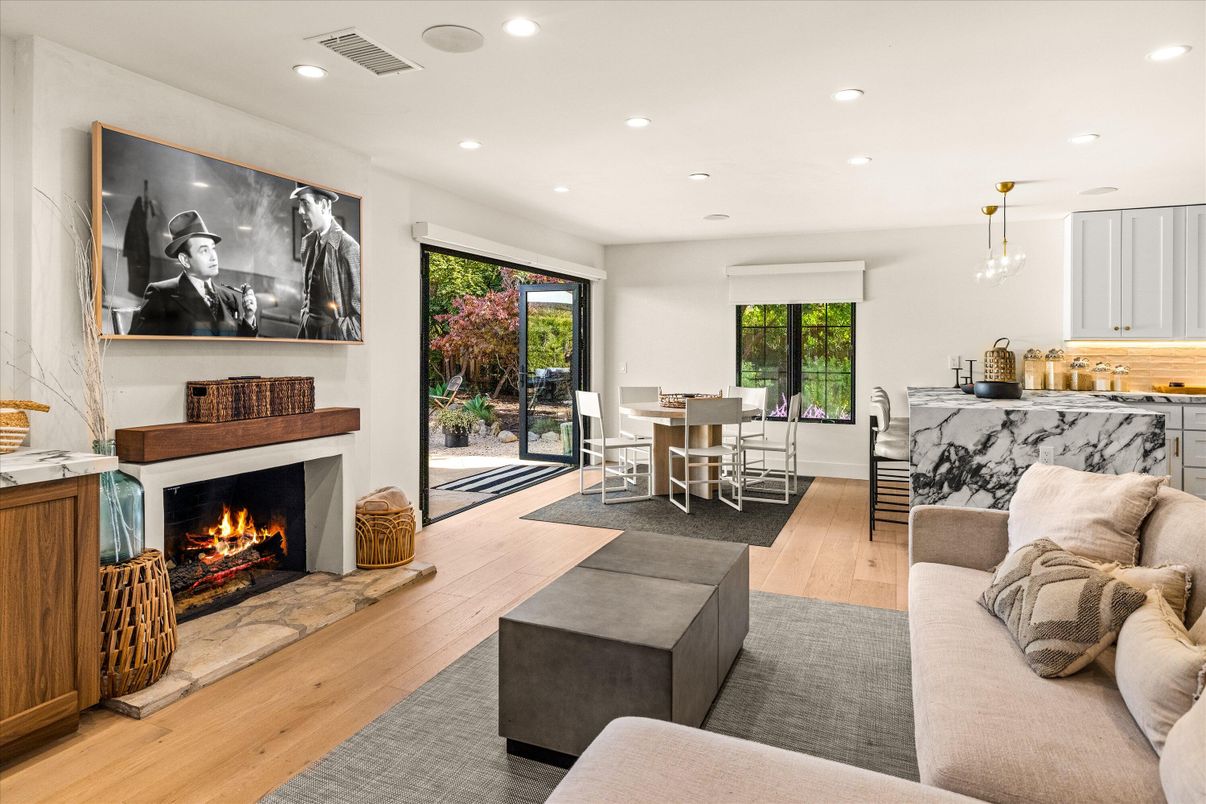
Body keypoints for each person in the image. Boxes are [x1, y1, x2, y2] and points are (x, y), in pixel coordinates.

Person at [129, 210, 258, 337]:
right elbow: (141, 346)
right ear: (185, 260)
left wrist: (249, 317)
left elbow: (239, 347)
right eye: (204, 251)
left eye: (213, 248)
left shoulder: (229, 298)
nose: (213, 257)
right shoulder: (161, 295)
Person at [292, 183, 361, 340]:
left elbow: (361, 316)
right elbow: (308, 295)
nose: (300, 210)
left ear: (323, 205)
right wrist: (304, 319)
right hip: (307, 333)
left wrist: (334, 332)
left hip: (332, 338)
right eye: (299, 203)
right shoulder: (307, 243)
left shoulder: (349, 248)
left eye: (305, 203)